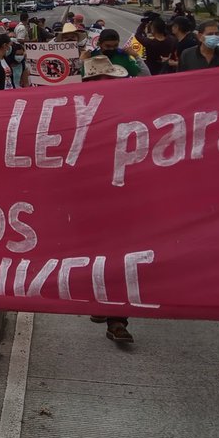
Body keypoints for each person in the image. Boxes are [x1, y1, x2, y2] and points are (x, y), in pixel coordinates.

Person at [78, 58, 135, 342]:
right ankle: (100, 301)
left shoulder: (130, 109)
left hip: (122, 194)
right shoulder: (75, 113)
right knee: (93, 254)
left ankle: (117, 319)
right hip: (89, 195)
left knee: (119, 257)